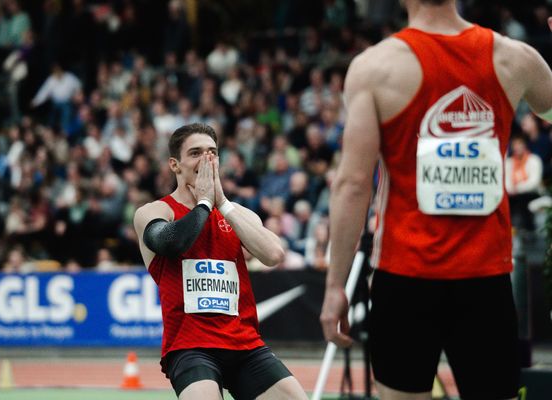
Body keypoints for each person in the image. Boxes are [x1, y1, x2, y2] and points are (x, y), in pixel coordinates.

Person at [320, 1, 552, 400]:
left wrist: (335, 284)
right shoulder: (514, 58)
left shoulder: (375, 67)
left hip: (405, 277)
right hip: (485, 280)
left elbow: (354, 183)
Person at [133, 123, 306, 400]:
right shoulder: (155, 211)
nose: (206, 159)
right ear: (175, 165)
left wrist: (222, 202)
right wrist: (203, 202)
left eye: (212, 152)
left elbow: (274, 255)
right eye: (196, 153)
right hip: (190, 347)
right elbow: (172, 242)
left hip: (244, 343)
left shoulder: (236, 213)